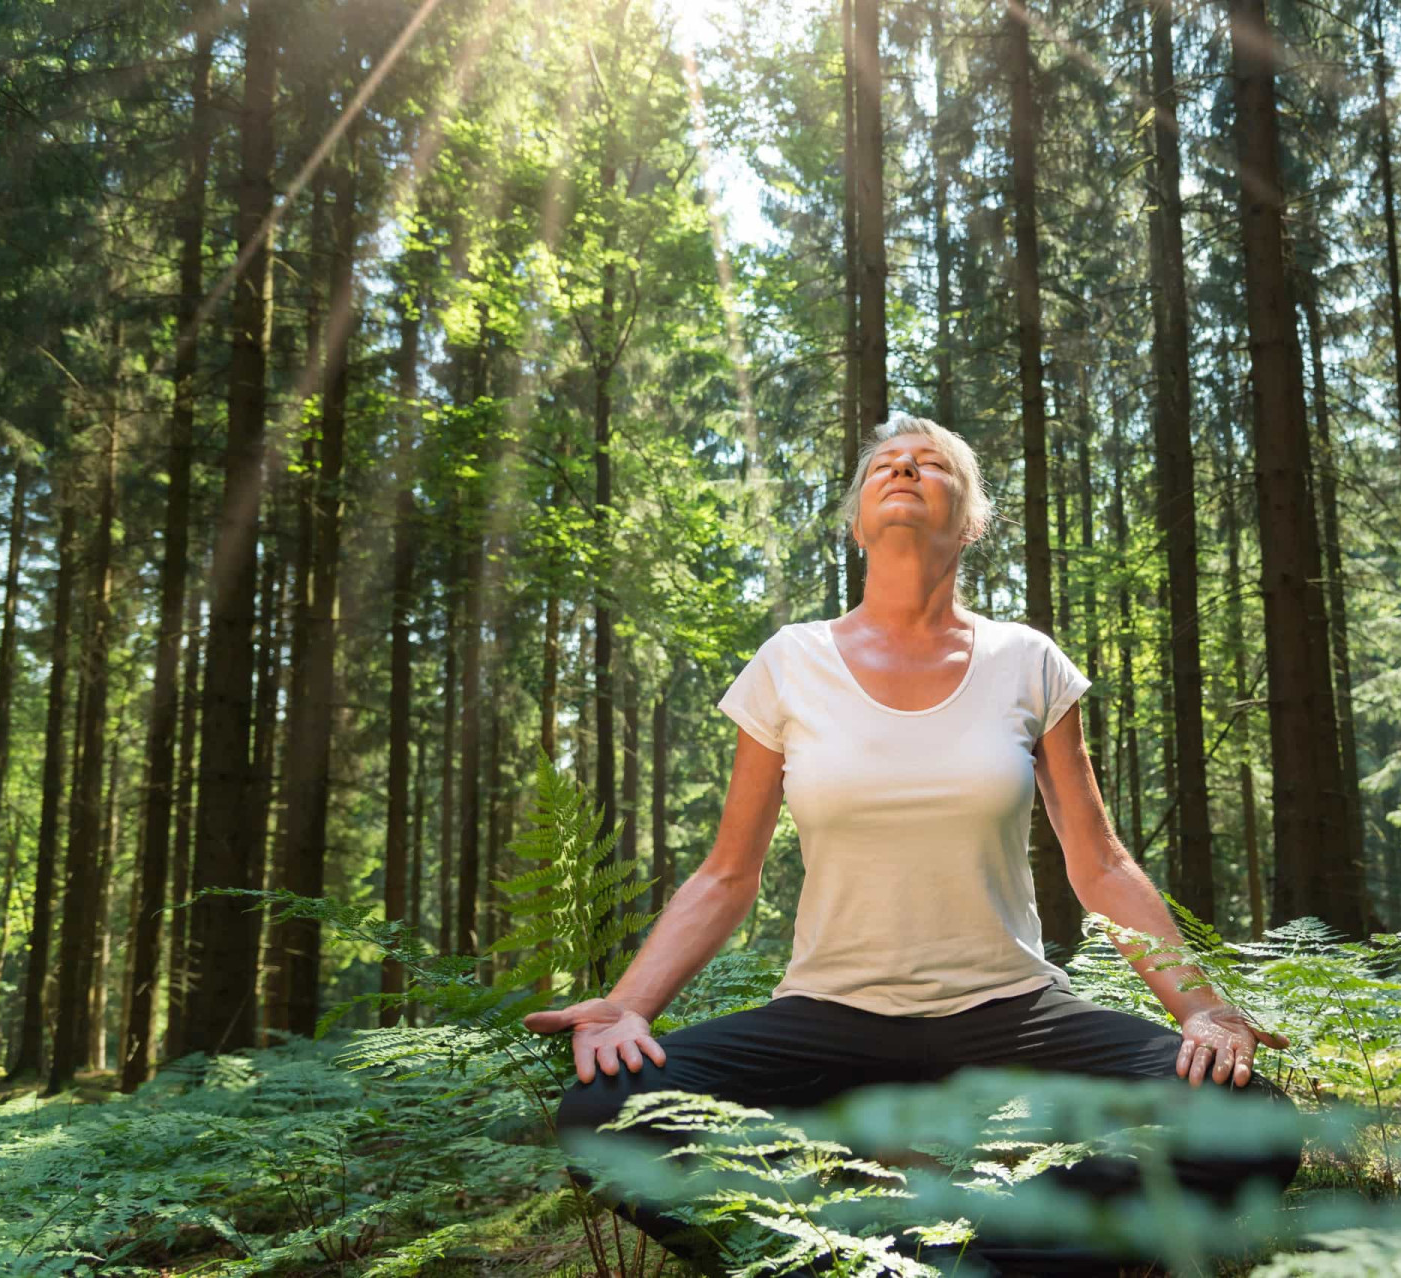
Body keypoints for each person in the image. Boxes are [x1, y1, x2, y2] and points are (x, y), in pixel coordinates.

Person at [528, 413, 1301, 1276]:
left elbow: (1101, 863)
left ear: (969, 519)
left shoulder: (1027, 661)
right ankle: (847, 1261)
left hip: (1012, 1011)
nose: (903, 469)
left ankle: (985, 1259)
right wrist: (629, 1005)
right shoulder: (792, 662)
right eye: (883, 466)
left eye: (931, 464)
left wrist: (1200, 1008)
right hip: (830, 1014)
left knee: (1252, 1121)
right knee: (607, 1110)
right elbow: (726, 873)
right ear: (859, 521)